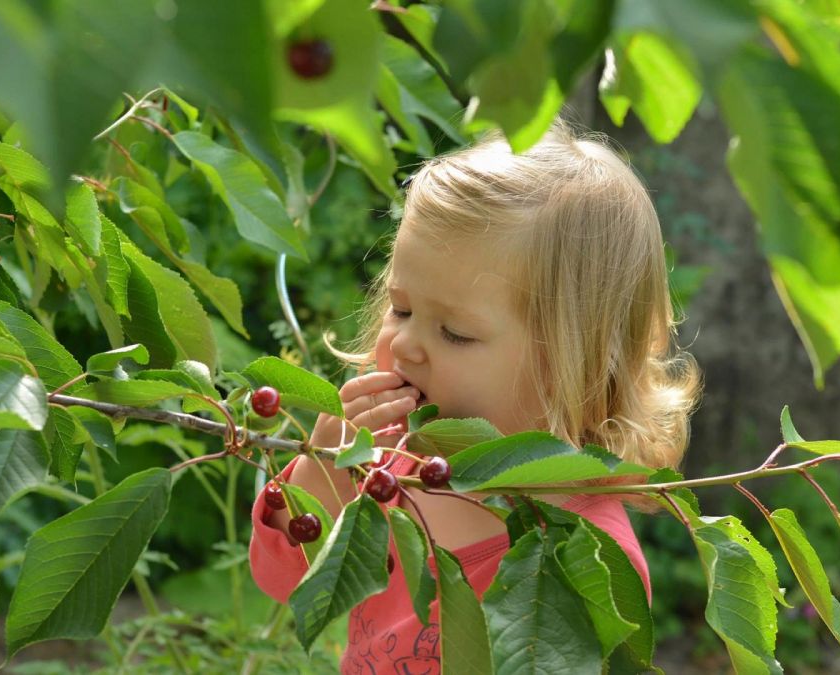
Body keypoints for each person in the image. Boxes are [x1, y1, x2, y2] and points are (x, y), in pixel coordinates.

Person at [248, 116, 701, 672]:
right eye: (402, 308)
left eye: (455, 333)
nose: (406, 344)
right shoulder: (390, 468)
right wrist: (322, 481)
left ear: (573, 368)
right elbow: (280, 582)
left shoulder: (584, 551)